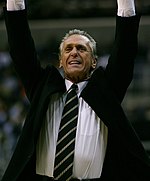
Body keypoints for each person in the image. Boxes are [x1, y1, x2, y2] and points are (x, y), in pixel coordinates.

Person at [2, 0, 150, 180]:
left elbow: (125, 52)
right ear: (60, 61)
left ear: (94, 61)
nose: (74, 53)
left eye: (82, 49)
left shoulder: (106, 92)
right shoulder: (43, 88)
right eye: (68, 49)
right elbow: (20, 49)